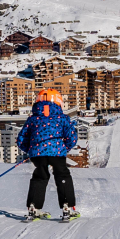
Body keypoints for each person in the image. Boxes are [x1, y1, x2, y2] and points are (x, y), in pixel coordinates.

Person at [17, 89, 78, 220]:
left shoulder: (33, 119)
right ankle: (67, 206)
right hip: (57, 152)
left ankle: (34, 207)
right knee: (62, 174)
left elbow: (21, 139)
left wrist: (30, 150)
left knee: (40, 176)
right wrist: (63, 148)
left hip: (37, 154)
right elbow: (72, 138)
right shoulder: (62, 118)